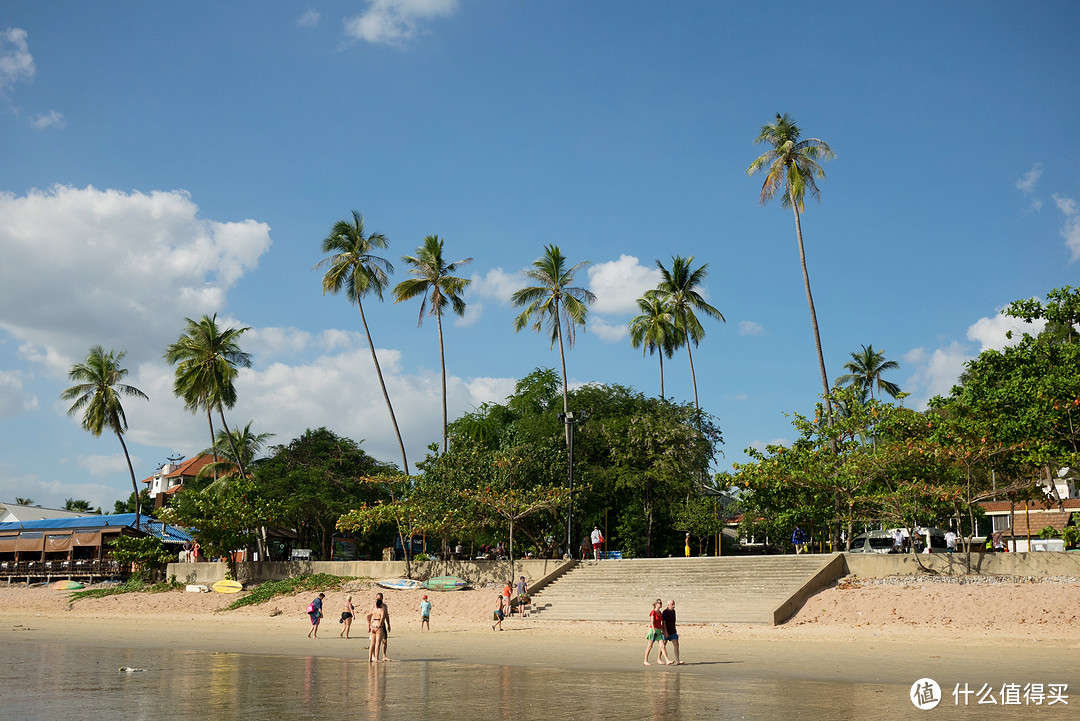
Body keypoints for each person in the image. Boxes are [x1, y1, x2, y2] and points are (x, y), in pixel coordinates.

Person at [643, 599, 670, 666]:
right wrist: (654, 630)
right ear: (656, 604)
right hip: (653, 630)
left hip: (659, 630)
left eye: (661, 603)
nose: (660, 604)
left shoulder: (660, 613)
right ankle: (645, 660)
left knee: (662, 646)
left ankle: (667, 660)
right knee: (650, 646)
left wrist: (662, 630)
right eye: (659, 603)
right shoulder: (653, 612)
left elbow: (660, 623)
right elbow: (652, 622)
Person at [366, 593, 390, 662]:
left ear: (382, 598)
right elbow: (381, 616)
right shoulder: (375, 607)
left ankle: (380, 656)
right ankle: (375, 657)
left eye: (379, 598)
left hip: (375, 625)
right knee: (376, 643)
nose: (378, 599)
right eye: (377, 598)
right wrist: (369, 625)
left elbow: (386, 616)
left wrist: (388, 624)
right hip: (378, 625)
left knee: (382, 641)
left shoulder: (384, 606)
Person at [661, 599, 683, 665]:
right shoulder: (665, 612)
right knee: (663, 645)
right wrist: (665, 632)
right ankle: (659, 658)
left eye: (674, 604)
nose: (674, 606)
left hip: (673, 631)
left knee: (676, 645)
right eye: (672, 604)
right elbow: (663, 623)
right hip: (666, 632)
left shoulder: (673, 611)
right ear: (668, 605)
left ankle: (677, 660)